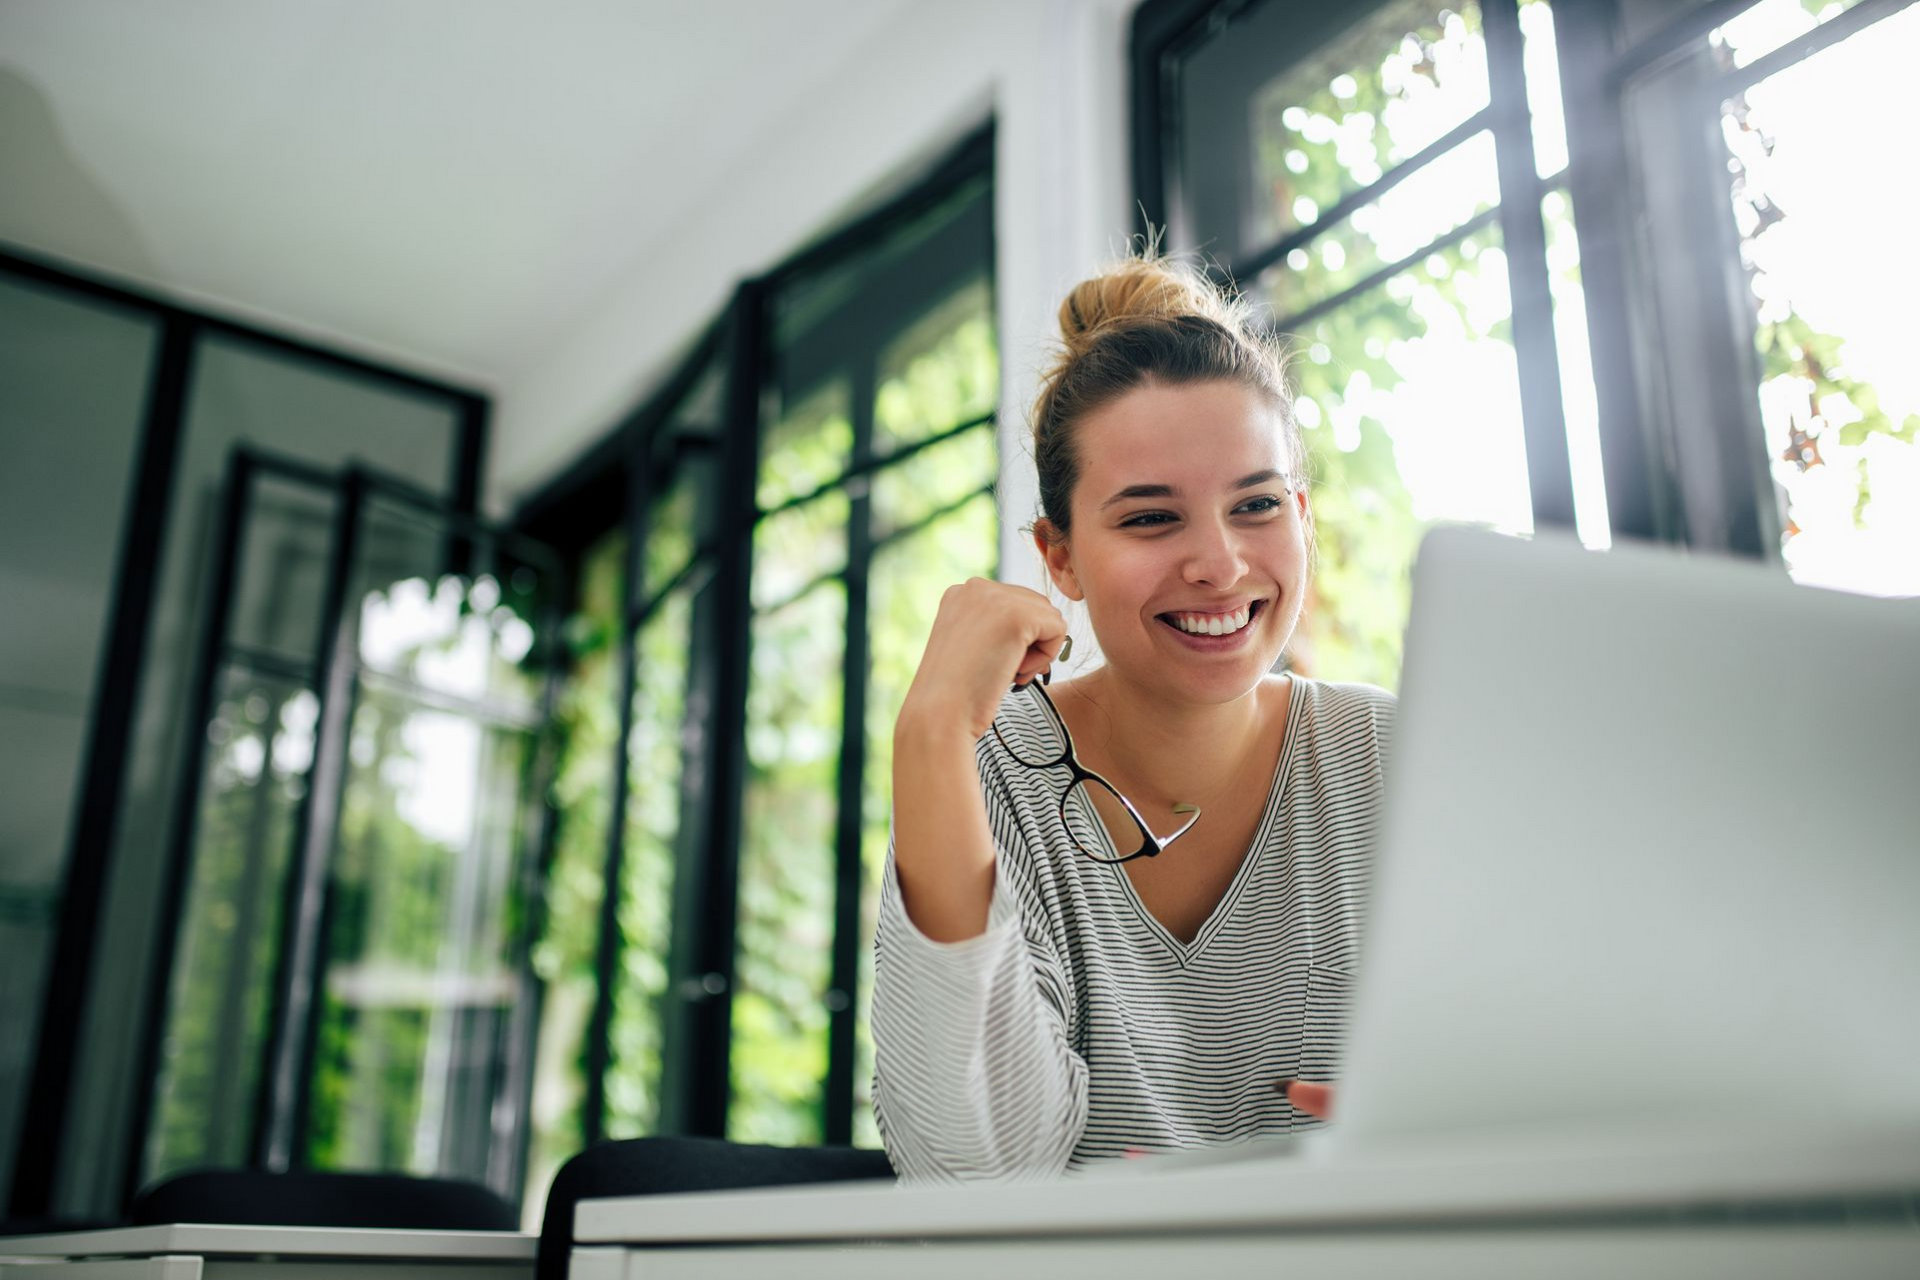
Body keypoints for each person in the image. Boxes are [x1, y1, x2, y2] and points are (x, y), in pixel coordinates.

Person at [869, 253, 1395, 1181]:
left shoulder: (1393, 762)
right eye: (1152, 519)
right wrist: (931, 733)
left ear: (1301, 517)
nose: (1221, 564)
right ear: (1060, 558)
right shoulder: (990, 775)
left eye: (1258, 505)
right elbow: (975, 1178)